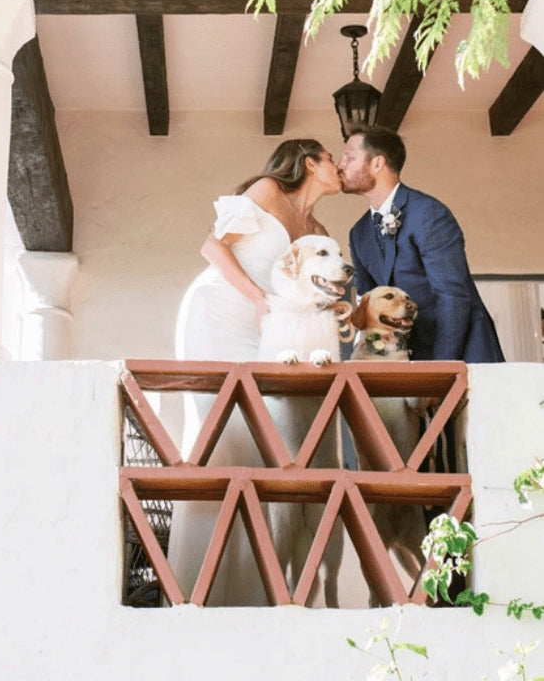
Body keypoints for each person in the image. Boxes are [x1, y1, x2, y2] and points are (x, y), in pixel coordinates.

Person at [168, 139, 343, 606]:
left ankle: (250, 591)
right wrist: (258, 298)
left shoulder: (318, 230)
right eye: (332, 158)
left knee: (261, 447)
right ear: (310, 162)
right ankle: (195, 588)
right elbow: (212, 246)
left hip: (264, 331)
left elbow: (308, 289)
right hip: (217, 313)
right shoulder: (268, 191)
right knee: (217, 441)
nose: (339, 167)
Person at [337, 124, 505, 364]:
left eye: (349, 157)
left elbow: (453, 297)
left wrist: (440, 369)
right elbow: (368, 306)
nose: (340, 165)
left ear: (377, 164)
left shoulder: (429, 213)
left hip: (463, 355)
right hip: (405, 359)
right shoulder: (359, 233)